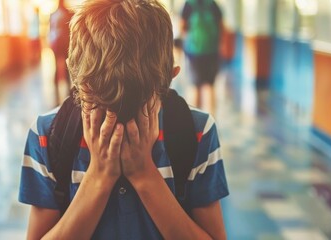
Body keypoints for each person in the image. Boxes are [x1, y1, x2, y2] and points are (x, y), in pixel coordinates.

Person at [19, 0, 228, 239]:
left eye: (135, 106)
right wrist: (99, 176)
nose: (116, 121)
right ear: (74, 76)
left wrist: (144, 174)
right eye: (98, 102)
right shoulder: (48, 135)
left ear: (168, 79)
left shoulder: (196, 132)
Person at [180, 0, 223, 114]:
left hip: (193, 53)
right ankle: (212, 118)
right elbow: (221, 26)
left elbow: (183, 27)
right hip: (211, 52)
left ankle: (194, 122)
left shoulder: (188, 4)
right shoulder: (212, 4)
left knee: (194, 86)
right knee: (209, 86)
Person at [48, 0, 74, 106]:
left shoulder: (53, 14)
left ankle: (56, 92)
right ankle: (68, 91)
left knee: (56, 66)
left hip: (55, 43)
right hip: (65, 43)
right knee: (67, 66)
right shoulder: (68, 13)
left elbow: (51, 30)